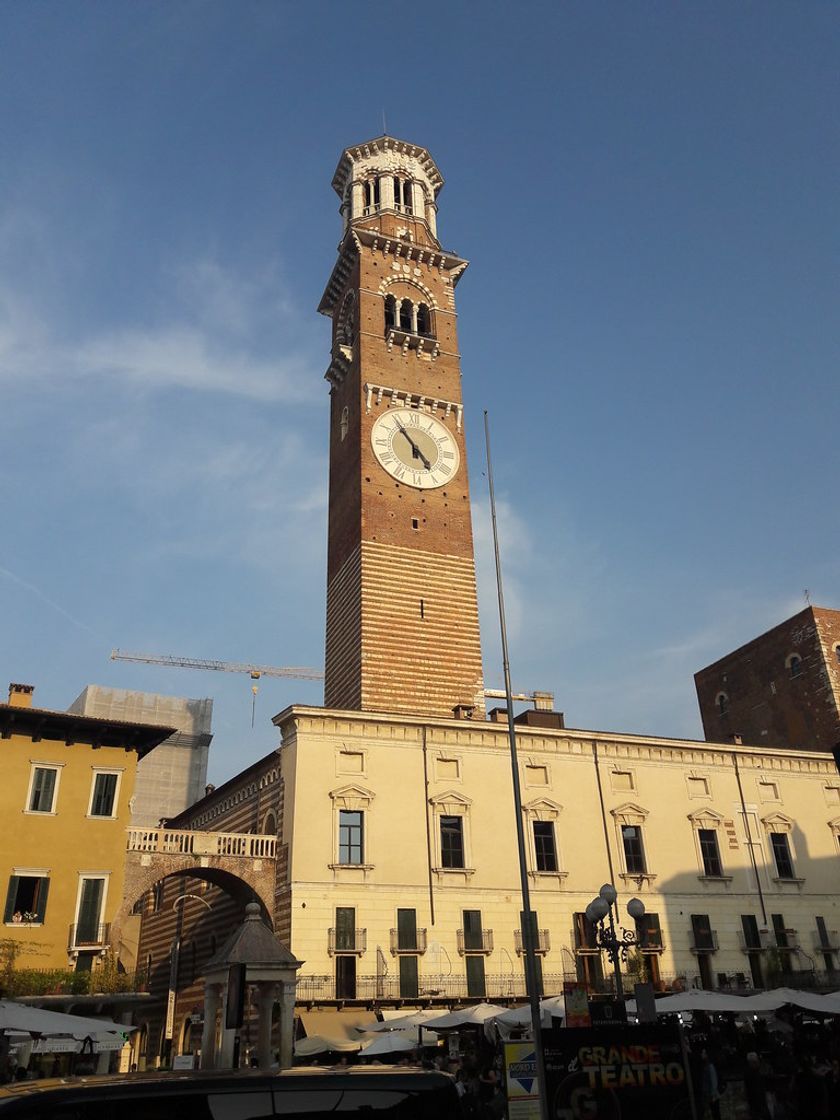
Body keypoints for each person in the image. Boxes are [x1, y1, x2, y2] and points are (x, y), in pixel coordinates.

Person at [743, 1052, 770, 1120]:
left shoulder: (753, 1073)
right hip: (757, 1103)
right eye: (755, 1062)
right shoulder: (752, 1074)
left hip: (756, 1102)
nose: (758, 1063)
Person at [700, 1049, 721, 1120]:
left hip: (712, 1095)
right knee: (714, 1112)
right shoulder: (706, 1067)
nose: (701, 1055)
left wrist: (712, 1095)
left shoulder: (710, 1067)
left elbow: (714, 1082)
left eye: (703, 1053)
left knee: (715, 1113)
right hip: (710, 1095)